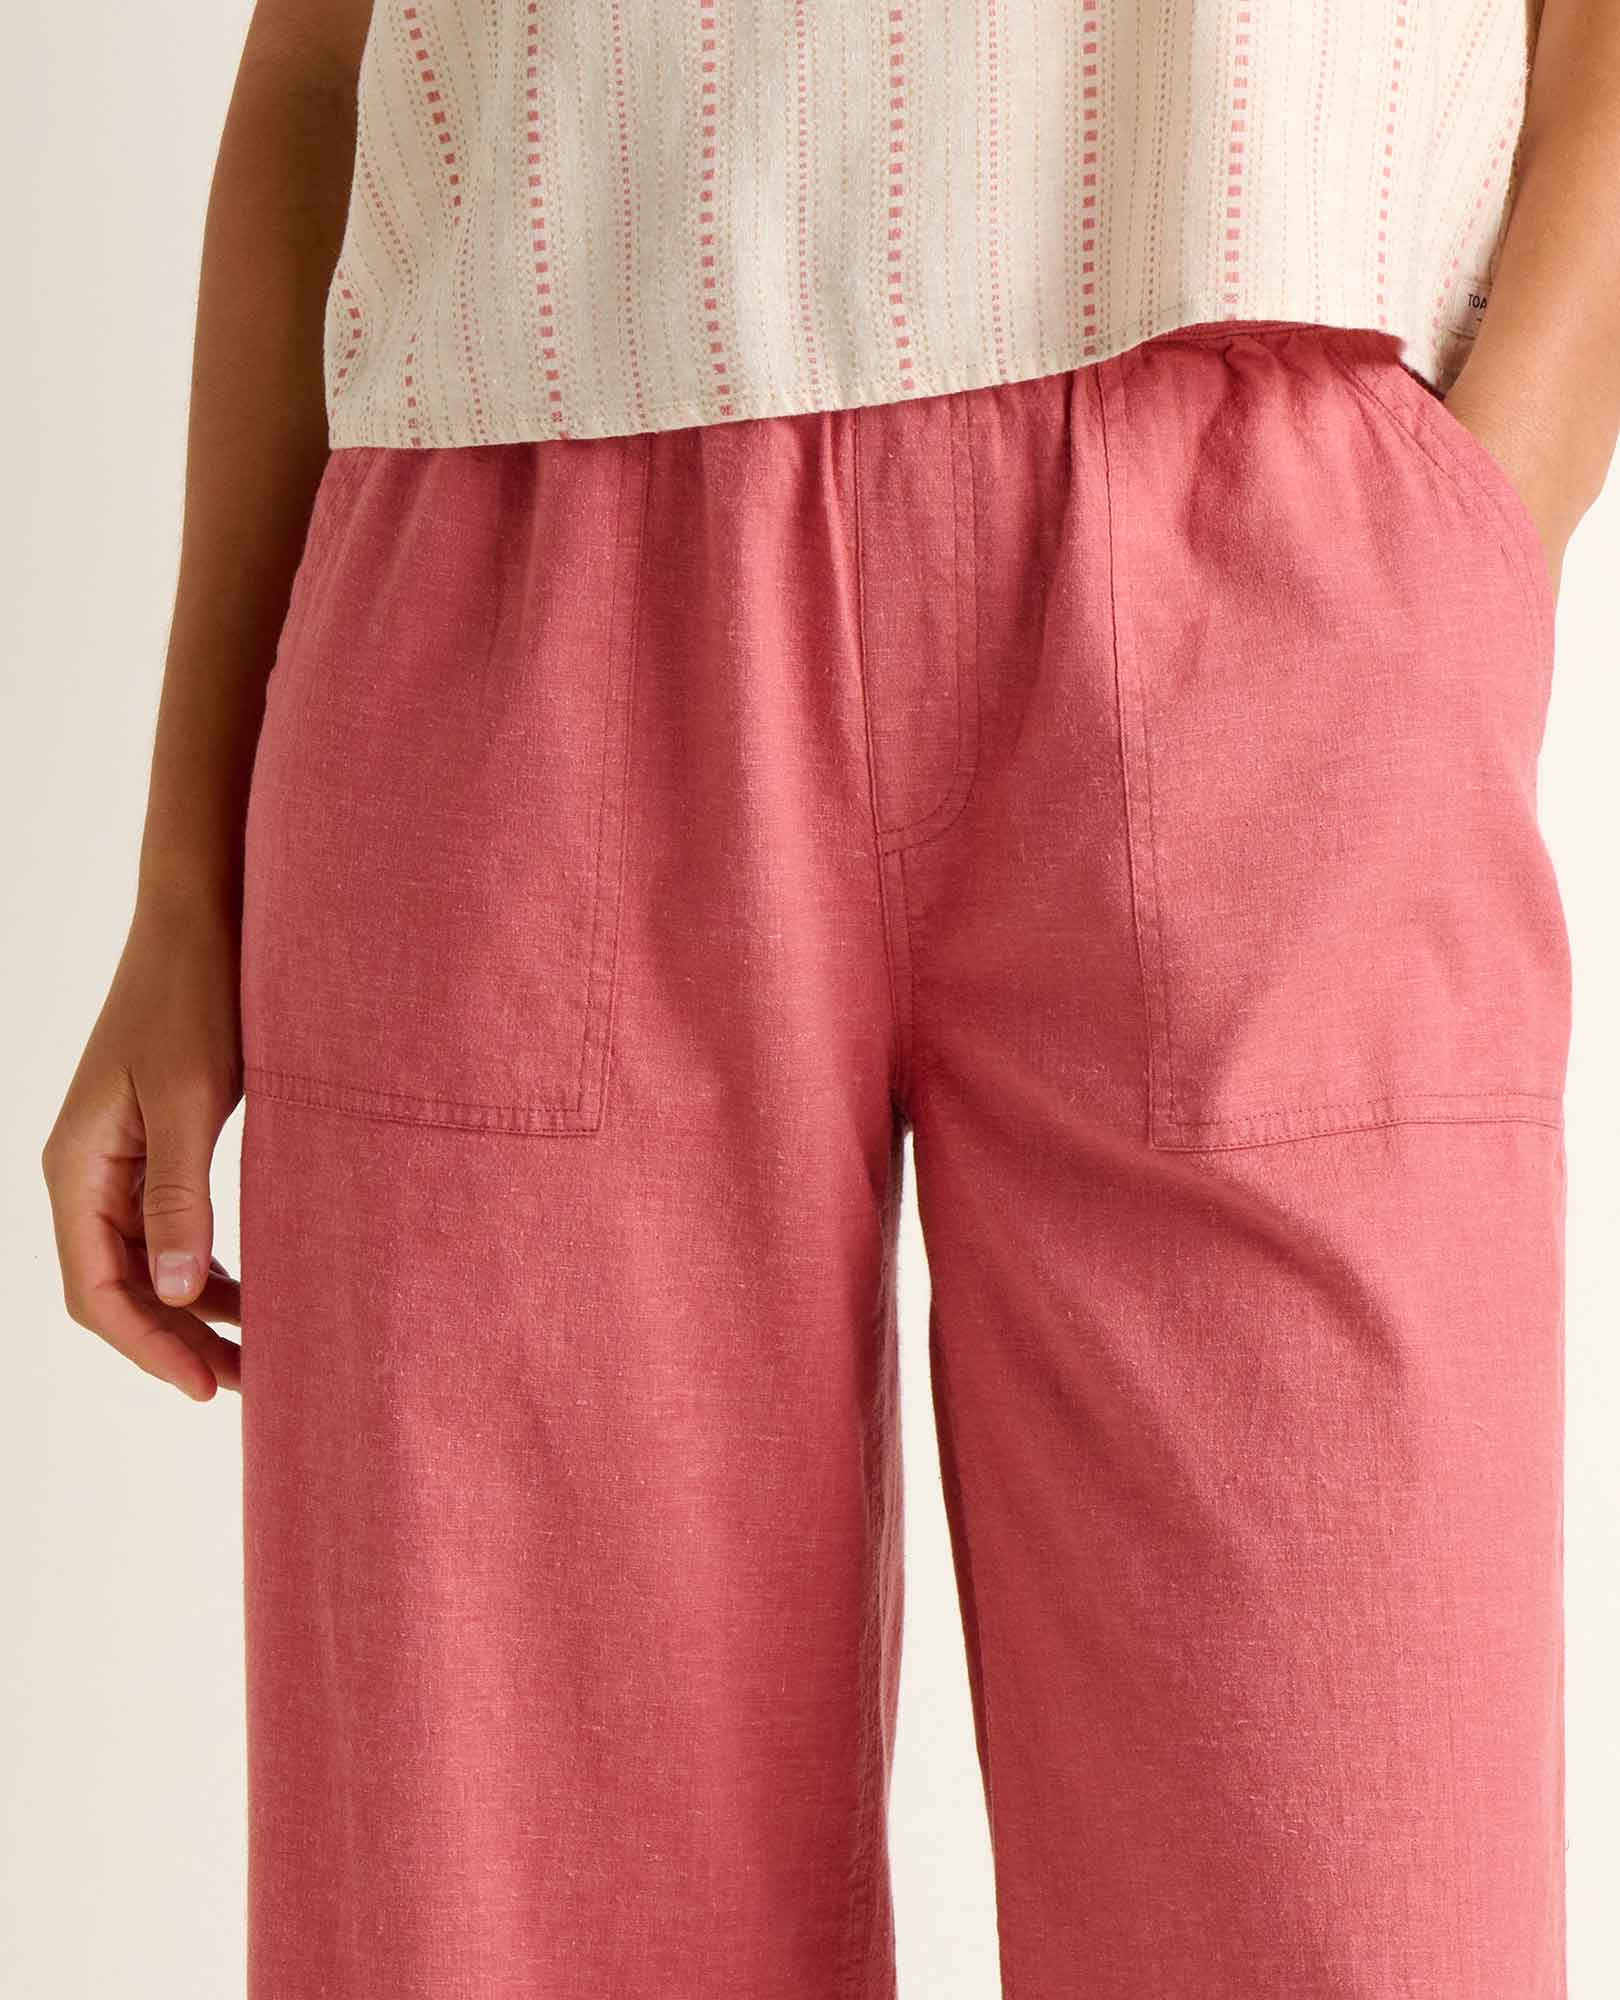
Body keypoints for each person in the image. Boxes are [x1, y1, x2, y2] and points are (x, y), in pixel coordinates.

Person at [40, 0, 1616, 1993]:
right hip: (521, 608)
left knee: (1350, 1897)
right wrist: (188, 884)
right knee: (502, 1929)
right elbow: (314, 66)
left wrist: (1468, 542)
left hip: (1262, 572)